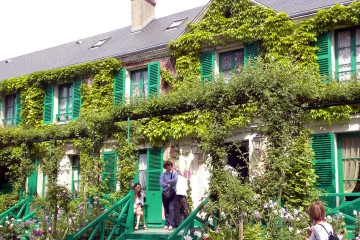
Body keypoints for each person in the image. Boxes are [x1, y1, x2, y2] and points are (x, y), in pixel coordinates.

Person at [160, 160, 178, 231]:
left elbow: (175, 180)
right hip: (164, 193)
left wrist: (168, 182)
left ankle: (171, 224)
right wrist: (168, 184)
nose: (170, 166)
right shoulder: (163, 175)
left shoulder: (174, 173)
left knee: (171, 209)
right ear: (166, 166)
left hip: (172, 193)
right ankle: (167, 224)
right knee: (166, 209)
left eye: (171, 165)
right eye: (168, 165)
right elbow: (161, 183)